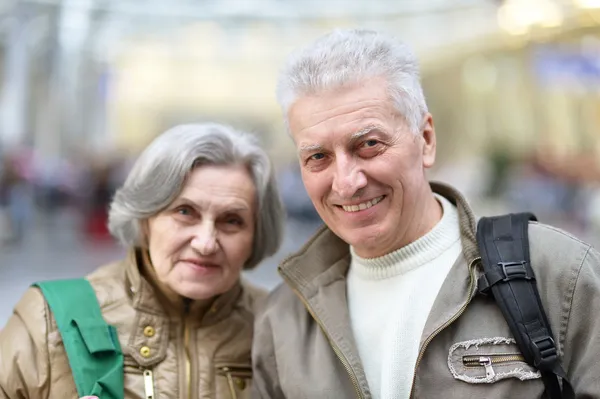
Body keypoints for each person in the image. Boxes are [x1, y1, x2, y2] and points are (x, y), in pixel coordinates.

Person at [251, 29, 600, 398]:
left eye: (369, 145)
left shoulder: (556, 275)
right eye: (318, 157)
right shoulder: (284, 324)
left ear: (426, 140)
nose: (346, 182)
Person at [0, 123, 285, 398]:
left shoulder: (282, 330)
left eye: (232, 220)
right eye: (185, 212)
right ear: (144, 217)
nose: (206, 243)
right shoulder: (48, 319)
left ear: (256, 233)